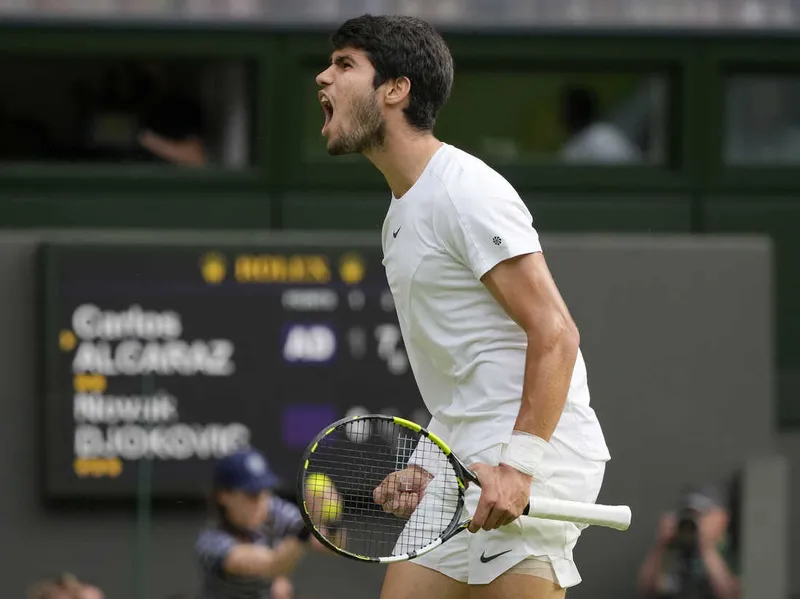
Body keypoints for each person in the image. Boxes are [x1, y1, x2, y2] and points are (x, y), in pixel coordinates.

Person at [314, 14, 611, 599]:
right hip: (467, 456)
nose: (323, 78)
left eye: (345, 64)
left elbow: (556, 332)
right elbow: (461, 374)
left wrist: (521, 466)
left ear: (395, 89)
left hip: (539, 452)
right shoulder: (400, 215)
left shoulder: (465, 190)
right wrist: (428, 464)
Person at [194, 447, 329, 599]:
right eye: (252, 494)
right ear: (224, 496)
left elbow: (325, 542)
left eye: (266, 490)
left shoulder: (273, 508)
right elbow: (272, 565)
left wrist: (331, 519)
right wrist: (309, 524)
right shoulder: (211, 542)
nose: (263, 502)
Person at [636, 486, 740, 599]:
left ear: (721, 518)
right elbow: (646, 591)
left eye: (700, 516)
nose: (694, 522)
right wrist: (661, 544)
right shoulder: (675, 551)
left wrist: (706, 547)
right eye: (689, 515)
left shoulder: (734, 550)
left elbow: (730, 595)